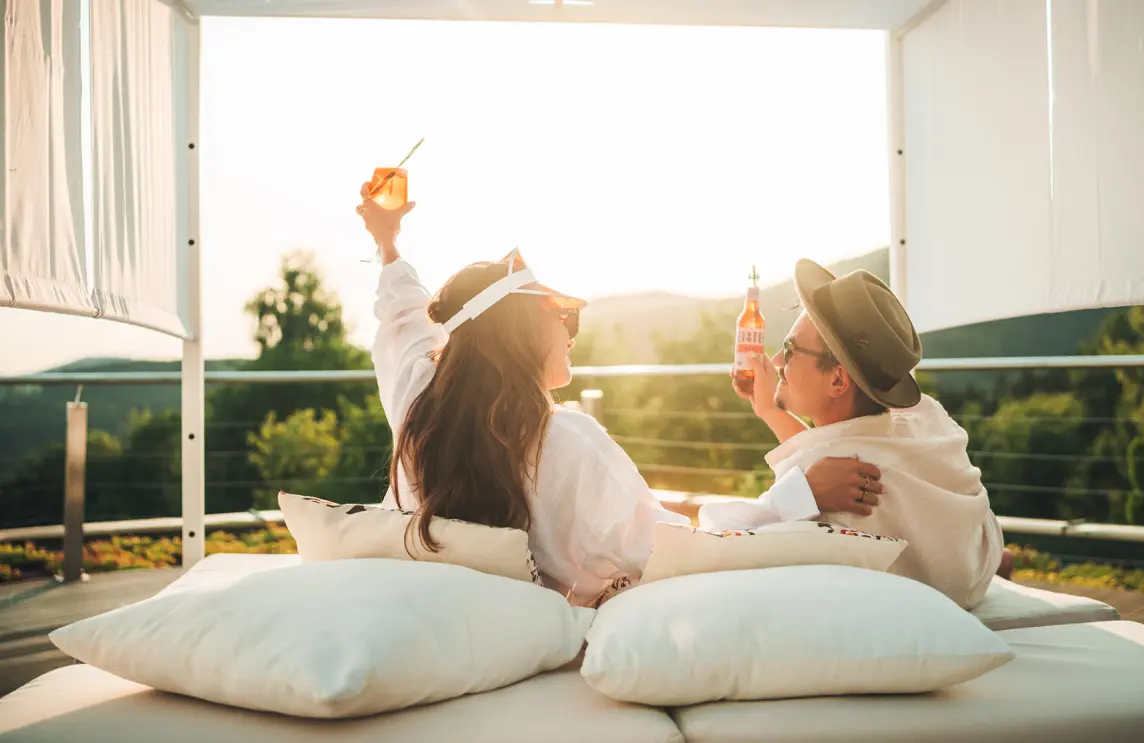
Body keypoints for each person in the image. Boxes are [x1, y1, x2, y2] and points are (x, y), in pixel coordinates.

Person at [355, 187, 885, 606]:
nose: (571, 331)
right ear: (517, 332)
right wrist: (800, 495)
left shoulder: (418, 402)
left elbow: (405, 316)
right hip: (527, 648)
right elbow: (681, 551)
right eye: (562, 318)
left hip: (437, 617)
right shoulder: (563, 442)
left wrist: (387, 240)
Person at [699, 260, 1010, 609]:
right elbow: (843, 442)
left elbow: (716, 543)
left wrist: (801, 493)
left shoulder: (839, 493)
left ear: (837, 380)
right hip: (976, 559)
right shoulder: (929, 419)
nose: (776, 361)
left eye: (789, 350)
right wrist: (771, 411)